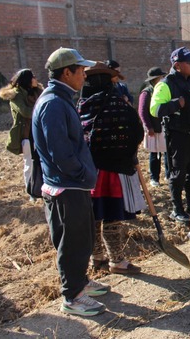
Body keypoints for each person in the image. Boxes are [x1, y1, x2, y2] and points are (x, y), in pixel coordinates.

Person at [32, 47, 109, 316]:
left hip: (73, 184)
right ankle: (72, 297)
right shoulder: (53, 104)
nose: (85, 76)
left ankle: (81, 283)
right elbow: (60, 151)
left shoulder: (61, 98)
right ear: (67, 72)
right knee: (72, 243)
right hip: (66, 186)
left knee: (82, 239)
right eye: (81, 71)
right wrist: (81, 173)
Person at [78, 62, 145, 275]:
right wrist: (127, 153)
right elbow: (136, 132)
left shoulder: (80, 106)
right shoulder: (119, 103)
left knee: (95, 215)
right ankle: (116, 260)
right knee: (112, 215)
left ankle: (97, 258)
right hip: (113, 172)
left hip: (87, 173)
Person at [150, 47, 190, 223]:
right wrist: (176, 104)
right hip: (178, 136)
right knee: (177, 173)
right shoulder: (166, 84)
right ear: (178, 65)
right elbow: (155, 109)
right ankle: (177, 209)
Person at [0, 69, 43, 190]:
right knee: (29, 163)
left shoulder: (38, 92)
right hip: (26, 134)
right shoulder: (16, 96)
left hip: (39, 132)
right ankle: (30, 190)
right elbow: (25, 112)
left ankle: (39, 188)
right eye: (32, 77)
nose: (35, 79)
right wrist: (42, 111)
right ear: (27, 80)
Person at [138, 67, 170, 187]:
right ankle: (154, 178)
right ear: (155, 79)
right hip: (153, 128)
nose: (163, 79)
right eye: (161, 77)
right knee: (154, 154)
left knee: (167, 152)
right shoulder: (147, 92)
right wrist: (148, 126)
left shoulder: (164, 90)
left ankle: (168, 175)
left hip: (164, 127)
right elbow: (142, 111)